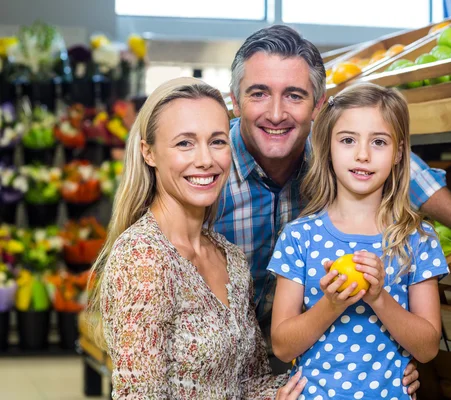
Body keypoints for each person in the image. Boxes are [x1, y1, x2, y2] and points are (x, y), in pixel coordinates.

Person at [89, 77, 306, 398]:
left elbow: (249, 384)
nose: (205, 159)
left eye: (217, 141)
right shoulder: (143, 256)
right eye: (184, 143)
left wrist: (355, 374)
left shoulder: (230, 257)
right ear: (149, 153)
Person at [267, 83, 449, 398]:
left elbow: (428, 347)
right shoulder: (299, 237)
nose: (363, 155)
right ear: (327, 148)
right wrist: (332, 304)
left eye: (379, 142)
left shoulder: (418, 238)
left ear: (399, 153)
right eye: (348, 140)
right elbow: (283, 347)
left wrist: (379, 297)